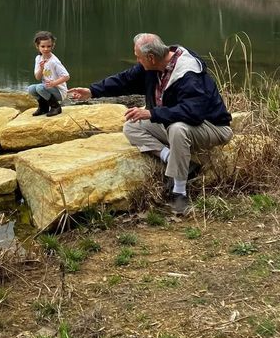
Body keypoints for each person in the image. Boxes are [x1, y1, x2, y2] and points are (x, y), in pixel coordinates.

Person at [69, 32, 232, 214]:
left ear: (151, 57)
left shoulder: (188, 74)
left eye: (138, 57)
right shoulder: (152, 68)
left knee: (178, 129)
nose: (137, 61)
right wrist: (91, 91)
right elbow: (124, 80)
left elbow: (193, 113)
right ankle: (173, 158)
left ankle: (179, 192)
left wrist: (152, 113)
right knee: (132, 125)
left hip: (211, 127)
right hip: (176, 122)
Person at [28, 30, 70, 117]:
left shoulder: (54, 61)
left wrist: (54, 83)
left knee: (40, 87)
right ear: (37, 46)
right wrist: (41, 68)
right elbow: (38, 77)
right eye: (42, 46)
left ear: (52, 46)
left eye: (48, 46)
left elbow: (66, 76)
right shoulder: (38, 58)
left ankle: (56, 107)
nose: (46, 49)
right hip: (47, 88)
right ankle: (44, 107)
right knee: (31, 89)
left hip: (59, 92)